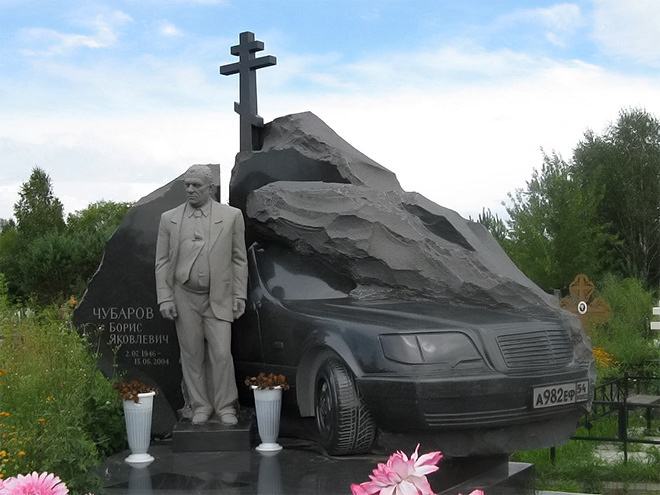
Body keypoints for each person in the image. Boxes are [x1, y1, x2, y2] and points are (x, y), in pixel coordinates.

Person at [155, 165, 247, 425]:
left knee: (221, 353)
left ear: (210, 188)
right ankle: (200, 406)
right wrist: (165, 297)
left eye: (196, 185)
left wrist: (239, 294)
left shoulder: (231, 216)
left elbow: (239, 259)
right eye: (187, 185)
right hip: (184, 296)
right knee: (192, 354)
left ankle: (225, 405)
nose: (190, 190)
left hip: (219, 296)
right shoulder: (169, 219)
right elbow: (161, 262)